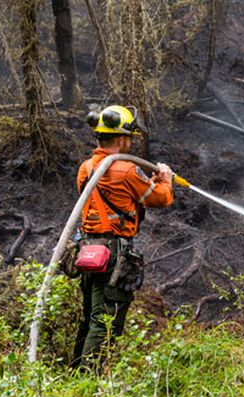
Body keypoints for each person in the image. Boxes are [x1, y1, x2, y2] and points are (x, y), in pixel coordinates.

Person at [71, 105, 174, 370]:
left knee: (91, 316)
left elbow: (121, 195)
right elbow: (161, 199)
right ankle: (86, 380)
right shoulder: (126, 169)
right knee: (107, 318)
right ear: (120, 139)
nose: (130, 143)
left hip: (88, 251)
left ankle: (76, 373)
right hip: (113, 253)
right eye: (129, 138)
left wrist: (147, 182)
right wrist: (165, 180)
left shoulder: (85, 168)